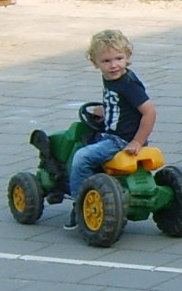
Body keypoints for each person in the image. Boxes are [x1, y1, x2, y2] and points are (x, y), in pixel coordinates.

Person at [65, 28, 157, 229]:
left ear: (128, 57)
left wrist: (137, 141)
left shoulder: (128, 85)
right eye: (106, 61)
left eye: (118, 58)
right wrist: (105, 110)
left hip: (120, 141)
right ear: (95, 62)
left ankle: (79, 203)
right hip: (114, 132)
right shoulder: (112, 79)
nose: (114, 65)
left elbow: (149, 112)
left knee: (81, 156)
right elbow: (122, 106)